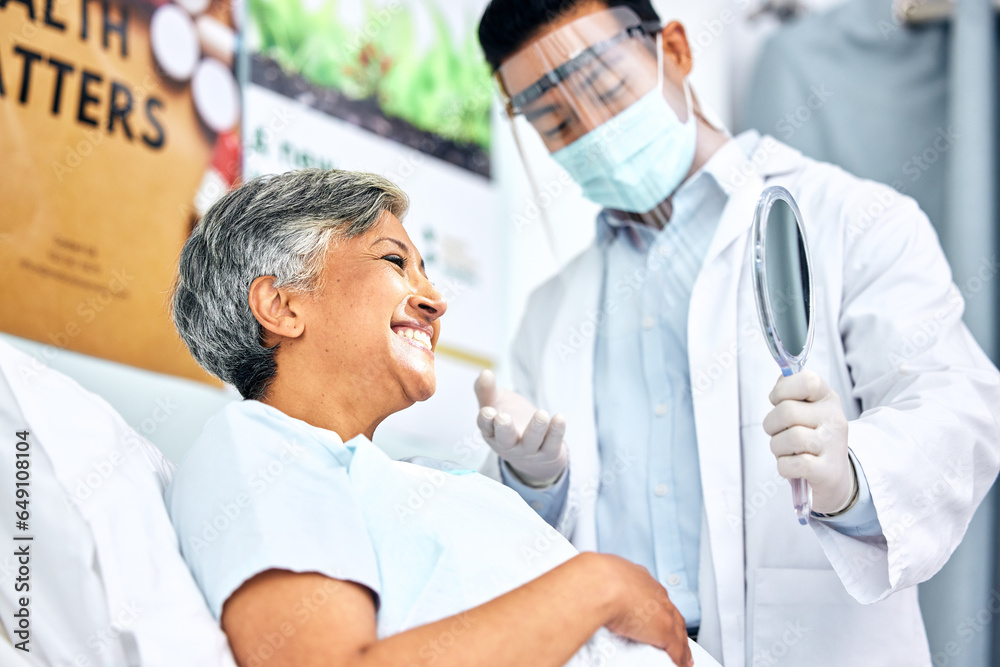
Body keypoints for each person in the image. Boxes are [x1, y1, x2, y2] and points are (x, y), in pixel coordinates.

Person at [471, 2, 1000, 666]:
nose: (590, 129)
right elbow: (514, 557)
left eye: (604, 87)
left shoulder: (855, 220)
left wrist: (853, 478)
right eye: (553, 120)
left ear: (677, 51)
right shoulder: (550, 314)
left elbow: (962, 412)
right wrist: (532, 481)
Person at [165, 168, 725, 667]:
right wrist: (599, 586)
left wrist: (535, 483)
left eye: (426, 271)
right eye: (394, 261)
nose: (435, 300)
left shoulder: (387, 477)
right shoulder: (258, 447)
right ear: (283, 307)